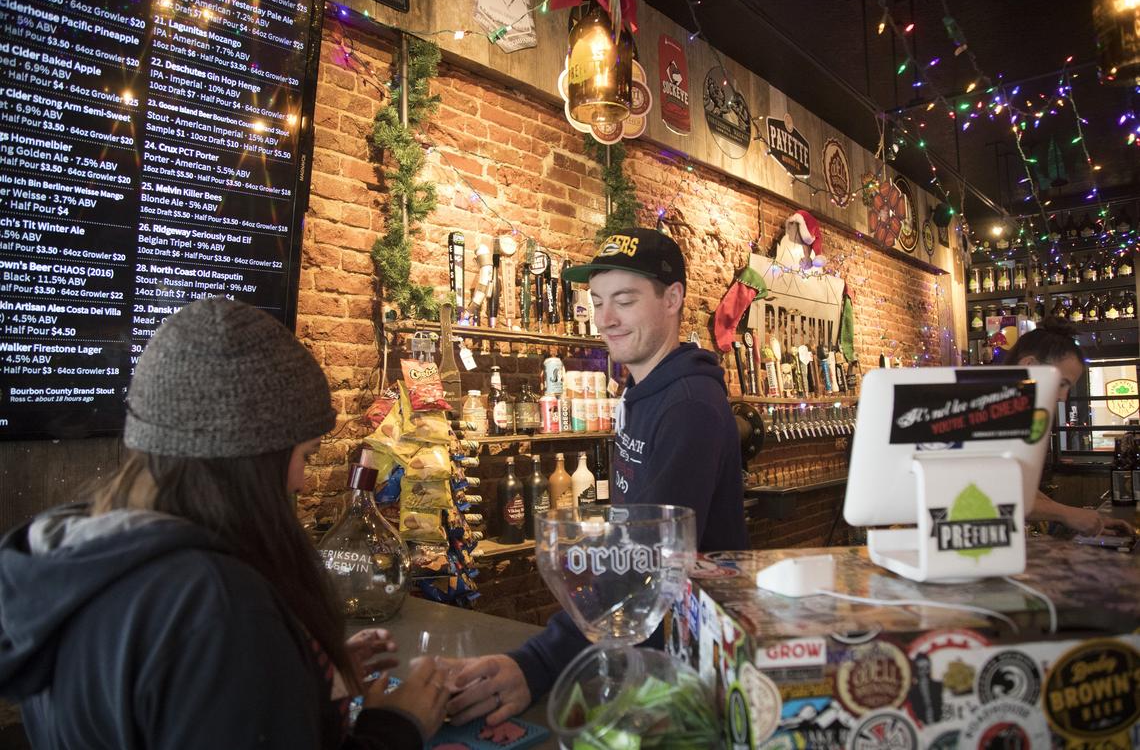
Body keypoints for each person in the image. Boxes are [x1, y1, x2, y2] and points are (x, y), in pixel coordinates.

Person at [0, 298, 450, 749]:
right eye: (304, 455)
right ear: (249, 459)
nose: (300, 479)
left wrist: (295, 676)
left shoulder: (73, 552)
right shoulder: (217, 600)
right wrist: (398, 726)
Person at [445, 227, 748, 725]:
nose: (605, 319)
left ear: (672, 298)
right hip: (642, 650)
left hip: (688, 662)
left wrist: (540, 661)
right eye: (598, 301)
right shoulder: (640, 389)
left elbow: (647, 559)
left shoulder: (689, 406)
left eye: (625, 301)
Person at [1004, 318, 1133, 537]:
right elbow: (996, 493)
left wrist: (1085, 518)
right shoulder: (985, 413)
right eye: (1061, 383)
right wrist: (1066, 514)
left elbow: (1016, 485)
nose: (1063, 397)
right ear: (1029, 366)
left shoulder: (1018, 416)